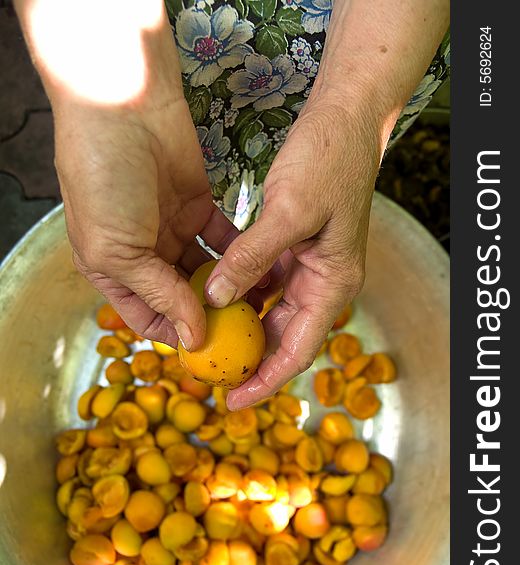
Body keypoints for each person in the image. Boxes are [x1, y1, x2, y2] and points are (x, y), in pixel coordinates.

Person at [15, 0, 449, 409]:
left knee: (302, 196)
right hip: (168, 57)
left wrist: (354, 112)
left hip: (383, 36)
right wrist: (110, 104)